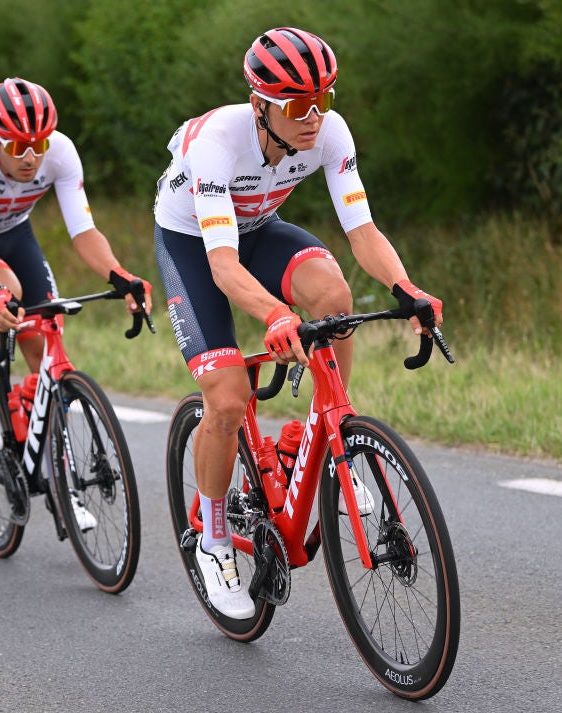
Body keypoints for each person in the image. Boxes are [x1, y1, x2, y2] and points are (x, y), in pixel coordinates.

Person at [153, 27, 444, 619]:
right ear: (260, 105)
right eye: (297, 106)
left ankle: (332, 431)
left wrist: (406, 287)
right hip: (195, 244)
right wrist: (276, 314)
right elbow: (222, 265)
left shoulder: (329, 134)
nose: (314, 118)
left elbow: (361, 232)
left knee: (335, 297)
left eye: (324, 100)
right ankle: (212, 542)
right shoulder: (216, 145)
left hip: (258, 232)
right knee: (229, 401)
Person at [0, 77, 152, 456]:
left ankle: (57, 471)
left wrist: (121, 275)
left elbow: (84, 232)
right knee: (5, 292)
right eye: (17, 147)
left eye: (38, 145)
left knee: (45, 330)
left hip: (13, 229)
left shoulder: (61, 152)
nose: (30, 157)